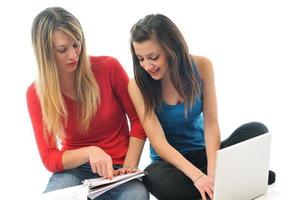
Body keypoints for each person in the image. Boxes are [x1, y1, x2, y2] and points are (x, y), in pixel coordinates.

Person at [128, 14, 275, 200]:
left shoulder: (202, 66)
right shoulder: (138, 85)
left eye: (153, 57)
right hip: (171, 165)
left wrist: (213, 171)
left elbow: (211, 124)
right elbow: (159, 143)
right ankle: (231, 181)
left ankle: (216, 183)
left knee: (256, 130)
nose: (147, 66)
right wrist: (197, 176)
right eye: (140, 59)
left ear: (171, 49)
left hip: (204, 153)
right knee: (152, 176)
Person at [27, 7, 149, 200]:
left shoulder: (109, 68)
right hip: (74, 171)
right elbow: (50, 157)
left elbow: (139, 121)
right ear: (45, 53)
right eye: (62, 50)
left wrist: (128, 168)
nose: (73, 55)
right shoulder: (36, 93)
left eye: (77, 44)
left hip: (118, 168)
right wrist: (90, 152)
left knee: (136, 195)